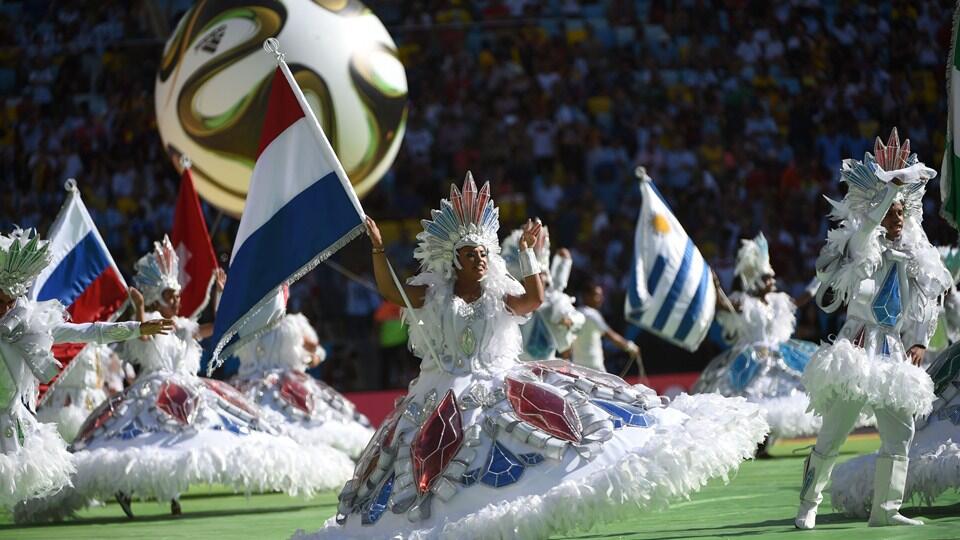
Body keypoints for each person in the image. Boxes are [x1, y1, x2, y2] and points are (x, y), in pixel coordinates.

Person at [303, 173, 768, 539]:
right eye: (470, 253)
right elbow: (392, 290)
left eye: (484, 252)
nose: (480, 259)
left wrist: (528, 256)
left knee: (553, 439)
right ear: (454, 258)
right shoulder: (431, 294)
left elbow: (531, 300)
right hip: (439, 392)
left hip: (500, 381)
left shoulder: (498, 294)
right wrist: (380, 249)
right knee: (433, 479)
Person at [16, 237, 353, 521]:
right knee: (145, 445)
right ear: (155, 298)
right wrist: (138, 310)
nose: (176, 299)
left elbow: (215, 328)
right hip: (153, 392)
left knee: (196, 440)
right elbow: (144, 336)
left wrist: (222, 294)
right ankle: (130, 489)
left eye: (176, 294)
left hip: (188, 391)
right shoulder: (147, 322)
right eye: (169, 295)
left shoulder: (183, 324)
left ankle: (172, 494)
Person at [795, 129, 951, 529]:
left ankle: (886, 510)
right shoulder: (862, 245)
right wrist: (889, 190)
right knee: (834, 432)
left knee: (901, 432)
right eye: (890, 212)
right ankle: (808, 503)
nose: (896, 219)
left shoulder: (912, 252)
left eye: (901, 212)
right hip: (858, 349)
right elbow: (865, 230)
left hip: (893, 353)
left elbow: (926, 298)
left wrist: (917, 341)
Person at [0, 228, 172, 511]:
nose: (6, 308)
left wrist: (136, 328)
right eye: (0, 301)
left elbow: (88, 332)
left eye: (9, 301)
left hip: (14, 430)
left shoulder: (32, 325)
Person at [693, 233, 826, 451]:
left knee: (788, 390)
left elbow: (800, 301)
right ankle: (756, 440)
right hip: (751, 360)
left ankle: (768, 436)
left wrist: (818, 281)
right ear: (755, 280)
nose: (772, 281)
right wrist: (715, 286)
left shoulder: (778, 301)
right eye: (767, 277)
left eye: (772, 277)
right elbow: (725, 306)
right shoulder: (745, 302)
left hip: (780, 356)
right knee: (753, 396)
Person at [231, 295, 374, 459]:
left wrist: (310, 358)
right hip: (253, 384)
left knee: (306, 421)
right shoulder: (249, 322)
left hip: (289, 385)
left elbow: (316, 351)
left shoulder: (292, 324)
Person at [500, 224, 584, 361]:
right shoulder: (513, 301)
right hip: (517, 365)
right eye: (534, 279)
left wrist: (568, 320)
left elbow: (577, 318)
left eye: (542, 278)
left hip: (547, 364)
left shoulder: (555, 300)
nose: (539, 283)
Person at [570, 281, 641, 372]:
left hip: (577, 367)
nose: (601, 299)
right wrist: (630, 347)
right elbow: (611, 336)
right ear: (586, 296)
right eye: (597, 295)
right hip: (594, 367)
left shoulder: (574, 313)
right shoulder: (592, 315)